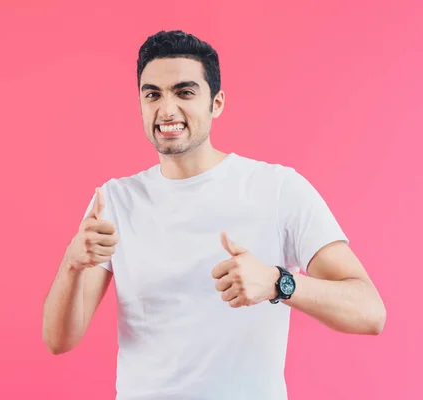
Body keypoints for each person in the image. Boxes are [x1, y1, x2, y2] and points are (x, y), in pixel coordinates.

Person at [41, 30, 386, 400]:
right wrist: (72, 262)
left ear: (216, 103)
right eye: (152, 94)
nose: (167, 109)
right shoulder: (114, 200)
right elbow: (59, 341)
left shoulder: (278, 189)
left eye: (185, 92)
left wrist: (278, 282)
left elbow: (369, 313)